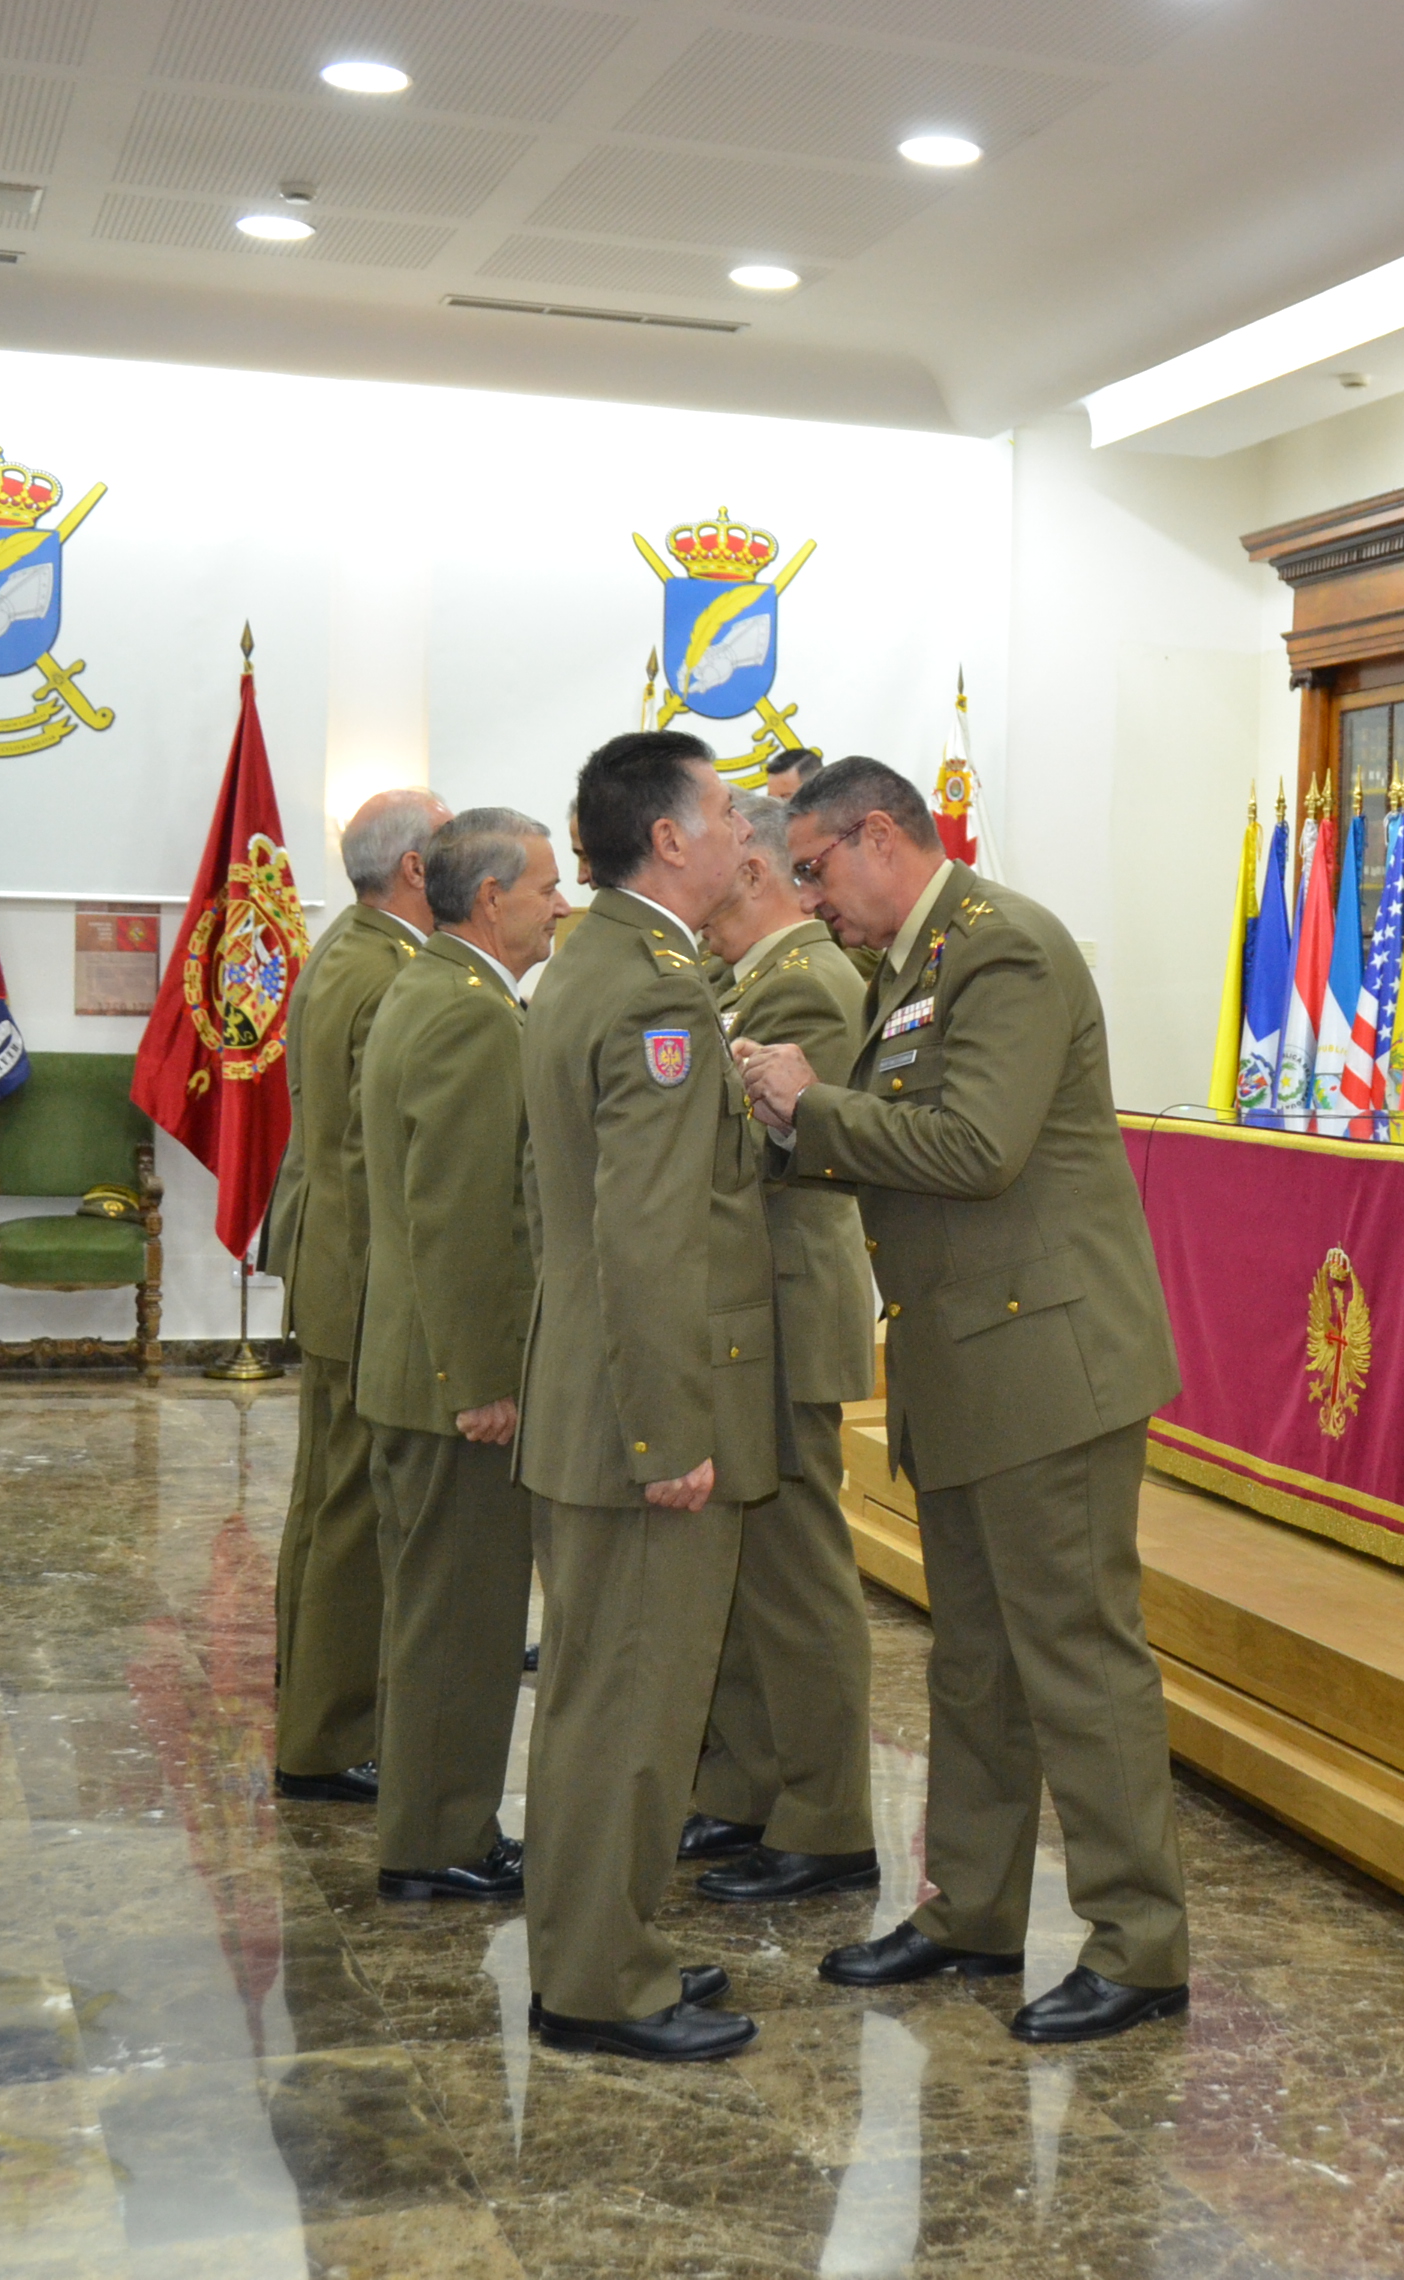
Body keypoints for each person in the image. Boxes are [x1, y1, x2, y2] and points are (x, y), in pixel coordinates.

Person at [734, 757, 1189, 2045]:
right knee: (978, 1663)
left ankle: (1141, 1945)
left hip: (1047, 1361)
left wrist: (804, 1109)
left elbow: (976, 1149)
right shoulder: (918, 958)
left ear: (880, 836)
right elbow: (912, 1141)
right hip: (968, 1357)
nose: (811, 900)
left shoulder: (1007, 951)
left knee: (1078, 1661)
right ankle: (969, 1912)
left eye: (816, 870)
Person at [516, 733, 776, 2063]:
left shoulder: (601, 962)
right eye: (728, 813)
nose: (746, 834)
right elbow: (651, 1236)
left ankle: (601, 1947)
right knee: (629, 1711)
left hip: (588, 1395)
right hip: (640, 1417)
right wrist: (673, 1435)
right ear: (669, 838)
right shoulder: (656, 997)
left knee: (596, 1702)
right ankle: (597, 1985)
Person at [355, 808, 570, 1901]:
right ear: (490, 900)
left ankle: (437, 1821)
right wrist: (487, 1380)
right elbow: (466, 1217)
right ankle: (440, 1839)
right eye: (544, 887)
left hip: (416, 1364)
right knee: (462, 1620)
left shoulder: (432, 987)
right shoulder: (475, 1016)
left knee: (440, 1611)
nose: (560, 904)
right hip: (454, 1381)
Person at [679, 791, 880, 1903]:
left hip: (789, 1302)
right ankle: (744, 1789)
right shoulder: (741, 979)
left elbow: (805, 1145)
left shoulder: (808, 980)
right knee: (750, 1569)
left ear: (749, 863)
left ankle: (828, 1817)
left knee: (798, 1573)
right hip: (746, 1303)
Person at [272, 788, 448, 1802]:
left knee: (323, 1505)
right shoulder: (392, 975)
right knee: (347, 1515)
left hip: (333, 1263)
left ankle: (316, 1710)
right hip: (364, 1273)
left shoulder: (350, 945)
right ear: (419, 868)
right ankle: (330, 1739)